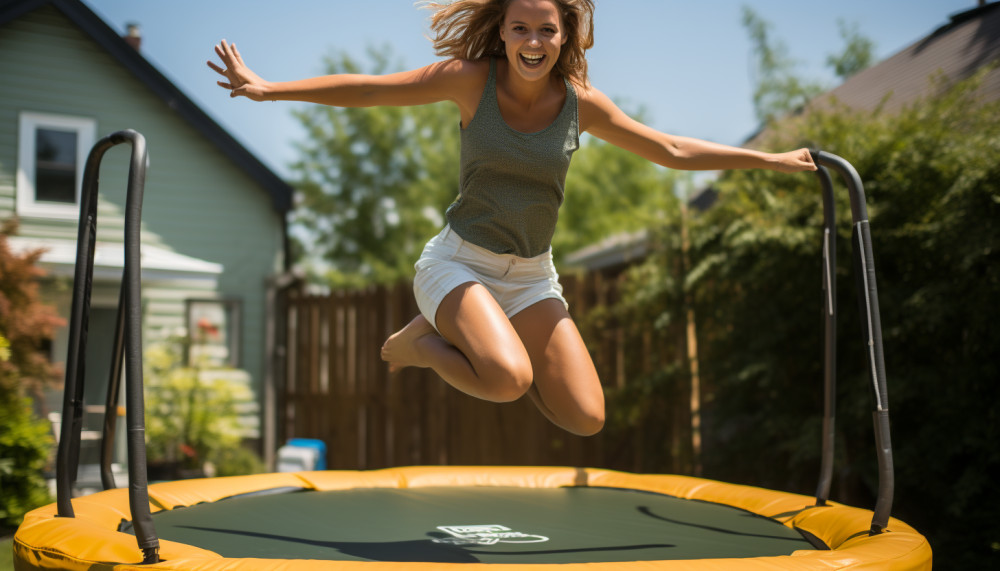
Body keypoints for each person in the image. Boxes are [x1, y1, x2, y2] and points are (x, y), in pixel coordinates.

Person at [209, 0, 816, 437]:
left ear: (564, 35)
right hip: (458, 263)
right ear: (501, 33)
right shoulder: (470, 81)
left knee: (586, 419)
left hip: (530, 277)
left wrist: (771, 159)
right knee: (505, 380)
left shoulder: (581, 104)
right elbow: (371, 90)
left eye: (546, 29)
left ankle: (459, 337)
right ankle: (423, 345)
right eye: (520, 27)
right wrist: (269, 90)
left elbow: (672, 150)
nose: (533, 40)